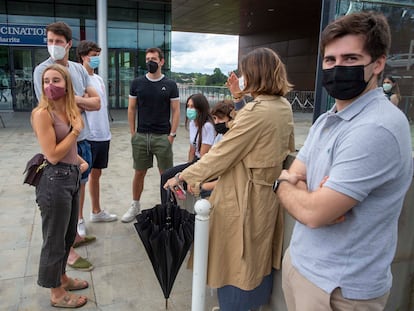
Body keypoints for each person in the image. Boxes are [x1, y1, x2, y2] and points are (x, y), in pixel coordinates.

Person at [275, 12, 413, 311]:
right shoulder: (327, 119)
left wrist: (285, 185)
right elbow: (297, 176)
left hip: (339, 289)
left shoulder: (377, 127)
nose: (338, 68)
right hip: (301, 263)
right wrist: (298, 187)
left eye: (351, 59)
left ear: (377, 64)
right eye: (330, 60)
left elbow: (314, 213)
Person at [164, 47, 295, 310]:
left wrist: (182, 175)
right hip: (266, 196)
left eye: (246, 74)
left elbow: (222, 153)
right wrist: (238, 99)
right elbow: (251, 133)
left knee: (236, 259)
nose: (243, 78)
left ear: (256, 75)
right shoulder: (282, 106)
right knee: (256, 259)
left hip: (242, 196)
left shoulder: (257, 112)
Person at [33, 21, 101, 271]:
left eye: (59, 42)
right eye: (50, 41)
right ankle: (67, 252)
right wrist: (76, 109)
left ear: (69, 45)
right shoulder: (42, 70)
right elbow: (50, 105)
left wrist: (72, 100)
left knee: (77, 190)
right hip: (62, 142)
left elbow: (97, 103)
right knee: (60, 203)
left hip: (81, 141)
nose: (54, 46)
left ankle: (74, 235)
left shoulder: (77, 69)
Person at [31, 64, 89, 308]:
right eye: (46, 81)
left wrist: (79, 160)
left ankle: (62, 277)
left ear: (66, 84)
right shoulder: (42, 114)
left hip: (71, 176)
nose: (50, 86)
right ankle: (56, 293)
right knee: (54, 239)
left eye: (56, 80)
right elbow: (52, 155)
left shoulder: (69, 109)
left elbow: (67, 150)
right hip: (54, 180)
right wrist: (76, 132)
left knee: (67, 237)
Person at [121, 47, 180, 223]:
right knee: (139, 173)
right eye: (147, 59)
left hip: (162, 137)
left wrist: (172, 135)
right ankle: (135, 205)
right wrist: (133, 133)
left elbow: (176, 111)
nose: (150, 62)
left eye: (153, 59)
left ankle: (169, 208)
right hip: (141, 137)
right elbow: (131, 108)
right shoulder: (137, 83)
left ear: (162, 61)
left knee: (166, 175)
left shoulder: (170, 85)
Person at [76, 40, 117, 237]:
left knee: (96, 175)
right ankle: (79, 219)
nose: (97, 58)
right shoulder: (80, 79)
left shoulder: (98, 79)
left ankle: (96, 211)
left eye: (99, 54)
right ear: (84, 56)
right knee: (82, 179)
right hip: (88, 135)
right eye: (94, 54)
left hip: (103, 135)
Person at [159, 93, 215, 204]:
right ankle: (168, 208)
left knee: (167, 176)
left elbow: (204, 156)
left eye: (193, 107)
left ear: (201, 108)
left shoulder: (207, 126)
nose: (190, 109)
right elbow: (192, 150)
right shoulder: (193, 124)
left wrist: (190, 175)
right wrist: (187, 168)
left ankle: (169, 210)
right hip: (195, 160)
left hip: (205, 163)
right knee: (167, 176)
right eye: (188, 106)